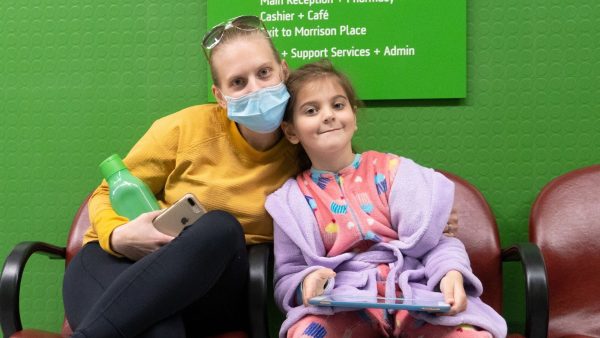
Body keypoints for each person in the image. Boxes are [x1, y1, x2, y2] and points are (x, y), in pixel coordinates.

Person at [63, 15, 297, 338]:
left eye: (264, 73)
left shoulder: (305, 148)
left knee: (220, 227)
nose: (255, 88)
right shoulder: (185, 128)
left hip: (210, 291)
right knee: (160, 333)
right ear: (219, 96)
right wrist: (120, 237)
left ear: (283, 71)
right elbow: (105, 193)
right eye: (238, 82)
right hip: (111, 264)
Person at [265, 60, 507, 338]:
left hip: (416, 297)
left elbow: (439, 242)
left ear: (353, 117)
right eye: (311, 110)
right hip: (343, 306)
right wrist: (305, 282)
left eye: (338, 105)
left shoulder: (394, 173)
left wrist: (450, 273)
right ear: (291, 131)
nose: (328, 115)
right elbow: (287, 274)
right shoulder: (290, 202)